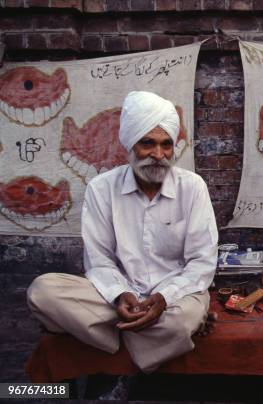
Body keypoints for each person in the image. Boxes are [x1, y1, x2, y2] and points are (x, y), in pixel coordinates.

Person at [27, 91, 219, 373]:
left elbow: (202, 262)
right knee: (42, 292)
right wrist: (120, 295)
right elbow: (99, 259)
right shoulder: (102, 188)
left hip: (174, 297)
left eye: (167, 145)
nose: (159, 155)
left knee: (183, 317)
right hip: (117, 297)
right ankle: (150, 337)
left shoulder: (192, 187)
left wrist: (164, 297)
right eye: (148, 144)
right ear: (129, 145)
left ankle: (111, 336)